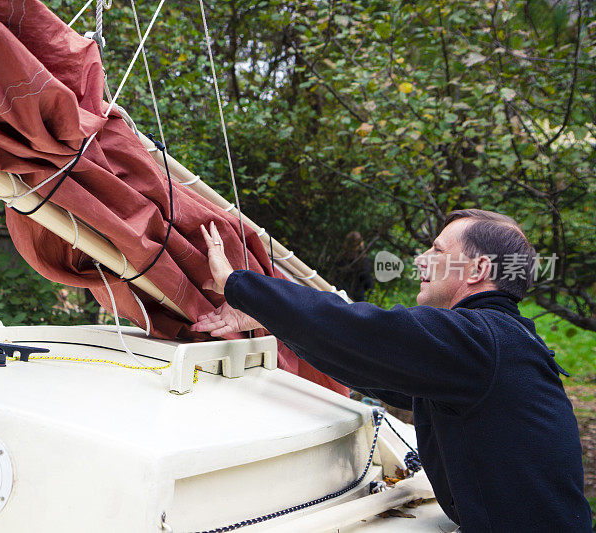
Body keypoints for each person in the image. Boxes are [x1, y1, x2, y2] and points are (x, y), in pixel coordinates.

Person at [193, 209, 591, 532]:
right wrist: (268, 317)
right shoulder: (496, 343)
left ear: (477, 270)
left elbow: (364, 332)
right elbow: (366, 363)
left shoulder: (482, 341)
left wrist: (237, 284)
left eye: (436, 250)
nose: (420, 260)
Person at [333, 230, 373, 302]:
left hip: (341, 296)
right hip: (355, 299)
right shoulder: (362, 260)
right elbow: (368, 283)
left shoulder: (341, 259)